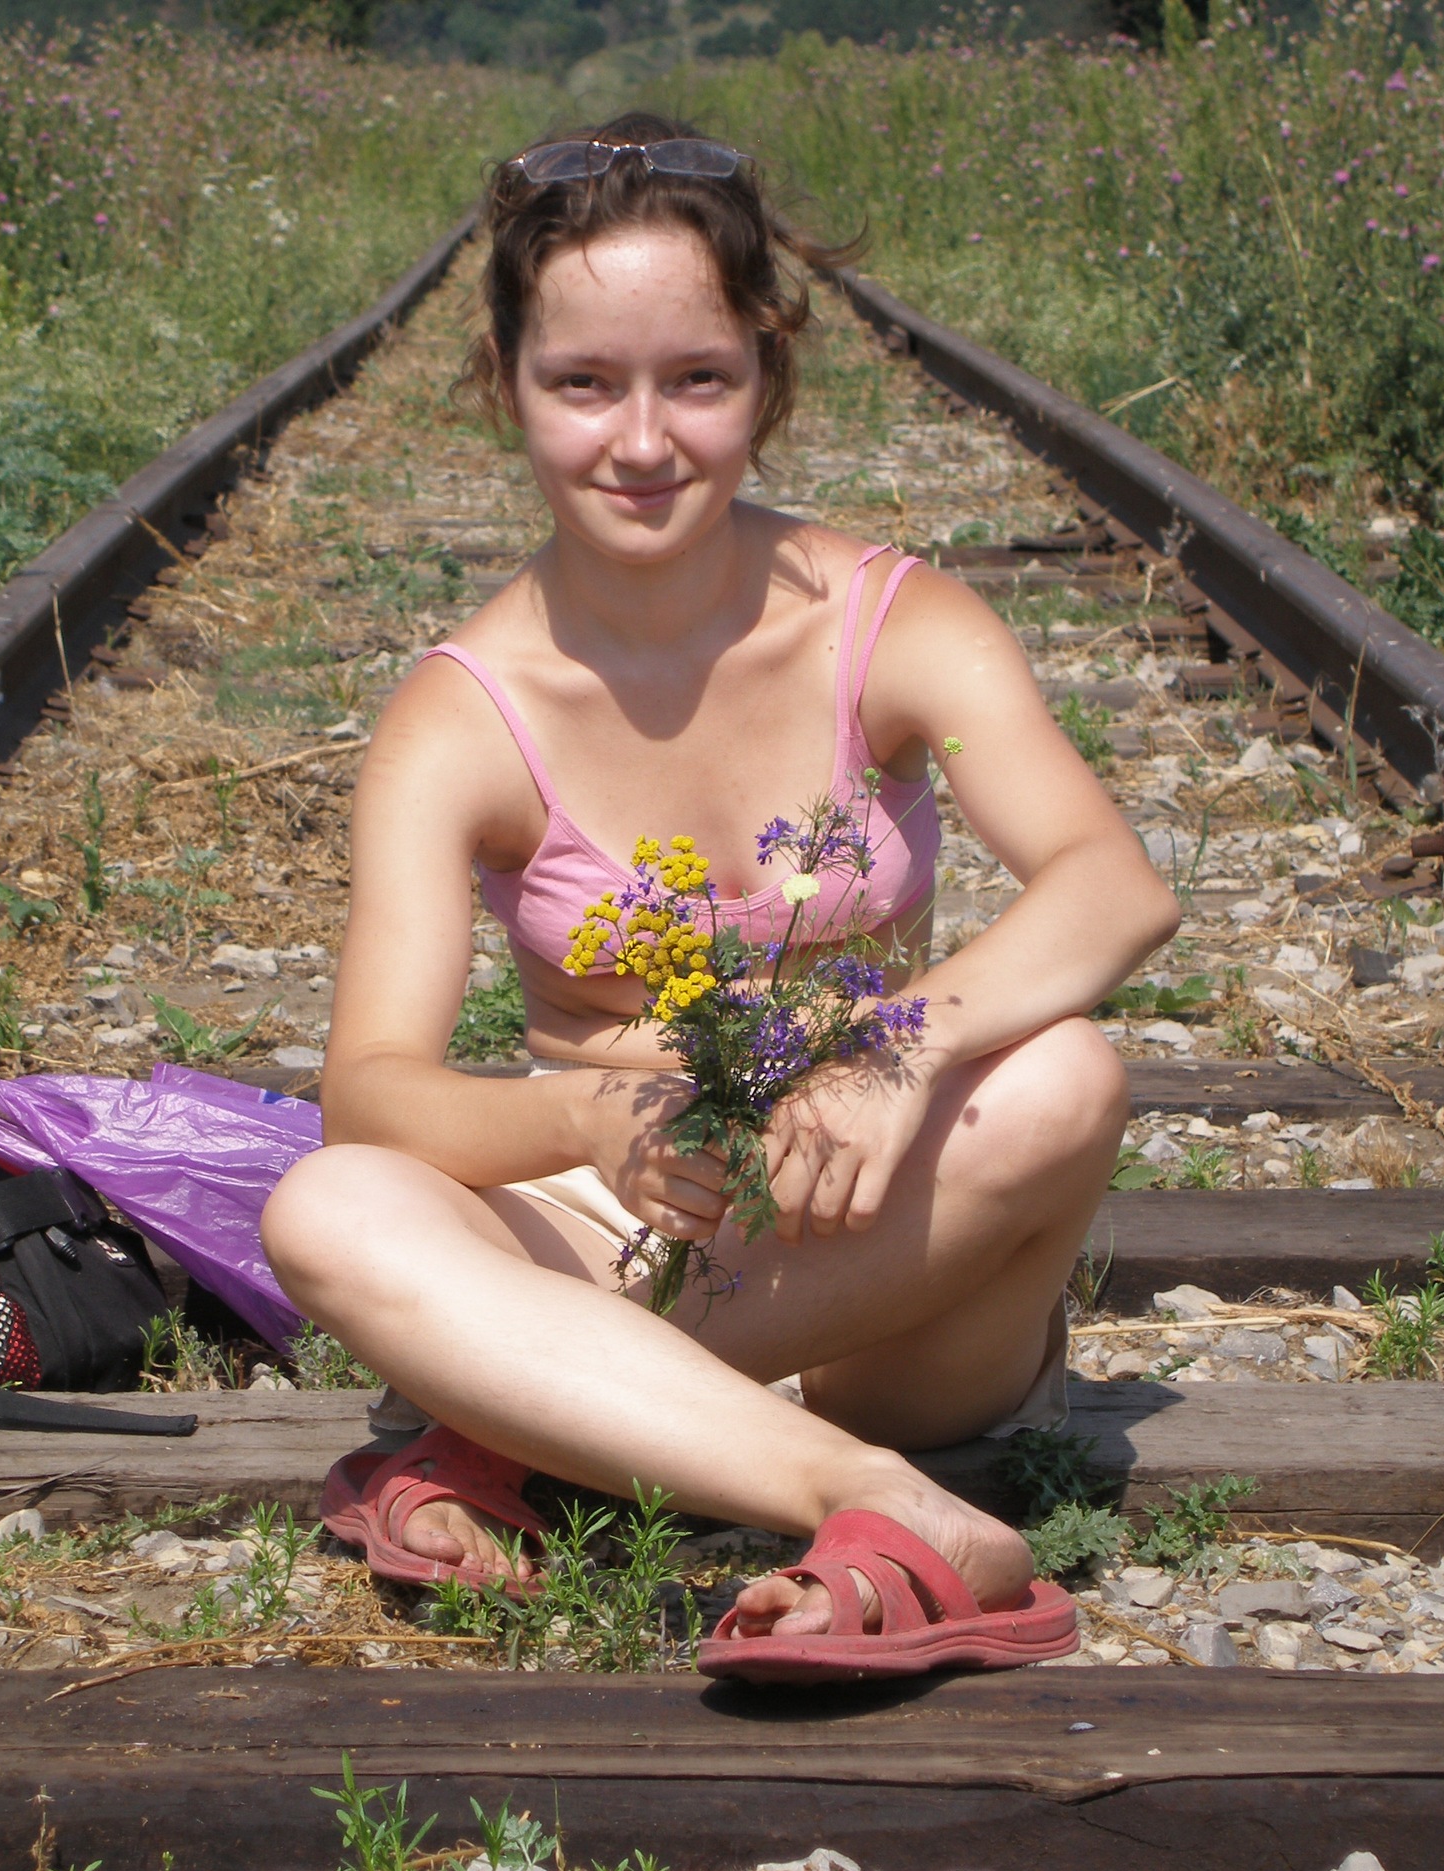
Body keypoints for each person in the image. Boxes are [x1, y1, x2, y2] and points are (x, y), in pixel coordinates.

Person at [260, 114, 1179, 1683]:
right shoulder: (460, 717)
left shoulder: (896, 624)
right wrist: (582, 1118)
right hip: (615, 1231)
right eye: (582, 384)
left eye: (696, 379)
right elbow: (372, 1090)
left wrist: (895, 1050)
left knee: (1066, 1075)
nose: (642, 442)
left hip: (880, 1264)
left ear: (768, 374)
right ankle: (872, 1504)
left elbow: (1111, 885)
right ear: (503, 385)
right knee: (330, 1206)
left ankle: (543, 1430)